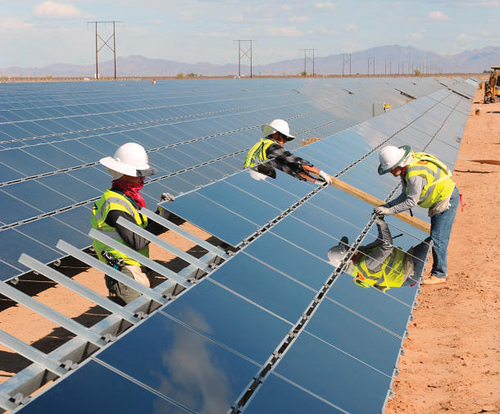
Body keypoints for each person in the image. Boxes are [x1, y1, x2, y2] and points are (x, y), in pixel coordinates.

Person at [91, 142, 166, 305]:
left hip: (136, 269)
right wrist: (161, 218)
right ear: (123, 173)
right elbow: (137, 240)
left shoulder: (127, 200)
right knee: (133, 321)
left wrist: (161, 214)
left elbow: (143, 230)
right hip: (126, 273)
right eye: (138, 174)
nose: (142, 178)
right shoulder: (114, 205)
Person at [374, 145, 459, 285]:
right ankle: (439, 271)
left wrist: (390, 211)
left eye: (391, 169)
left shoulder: (413, 174)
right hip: (443, 197)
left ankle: (440, 274)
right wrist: (388, 205)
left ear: (399, 164)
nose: (390, 172)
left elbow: (410, 201)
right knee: (437, 236)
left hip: (446, 199)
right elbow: (405, 194)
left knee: (438, 237)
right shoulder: (410, 165)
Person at [327, 216, 430, 292]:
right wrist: (383, 225)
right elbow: (387, 246)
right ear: (349, 259)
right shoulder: (365, 264)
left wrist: (379, 220)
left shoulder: (362, 252)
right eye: (348, 248)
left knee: (431, 242)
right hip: (410, 272)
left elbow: (381, 240)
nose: (351, 246)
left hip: (407, 262)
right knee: (432, 242)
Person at [243, 118, 333, 185]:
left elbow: (291, 169)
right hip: (256, 175)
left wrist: (316, 181)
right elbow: (294, 160)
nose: (286, 141)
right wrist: (321, 172)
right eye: (285, 137)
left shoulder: (266, 149)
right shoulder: (272, 147)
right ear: (276, 134)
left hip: (251, 175)